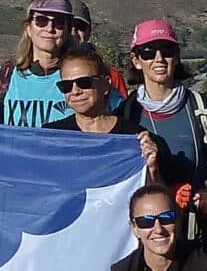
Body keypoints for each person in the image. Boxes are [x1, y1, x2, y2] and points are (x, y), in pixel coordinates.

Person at [126, 20, 207, 240]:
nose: (158, 58)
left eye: (167, 50)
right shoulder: (126, 115)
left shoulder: (202, 109)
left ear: (176, 56)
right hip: (150, 238)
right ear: (136, 60)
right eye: (148, 52)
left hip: (199, 234)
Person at [49, 47, 162, 179]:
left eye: (84, 82)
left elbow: (156, 196)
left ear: (105, 84)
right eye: (66, 86)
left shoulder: (137, 140)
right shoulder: (50, 138)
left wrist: (153, 169)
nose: (75, 91)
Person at [0, 0, 80, 128]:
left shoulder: (83, 80)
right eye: (41, 20)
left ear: (68, 30)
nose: (50, 28)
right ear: (28, 28)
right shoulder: (5, 76)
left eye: (58, 22)